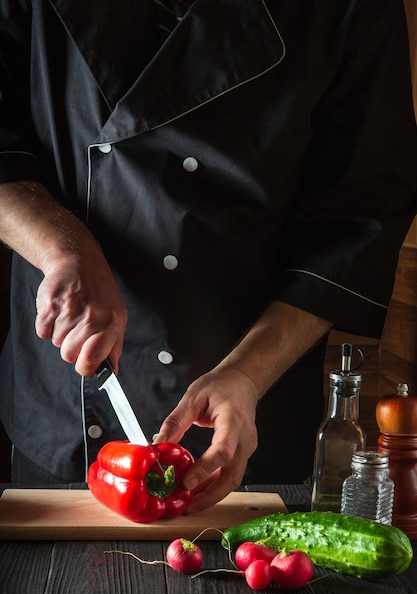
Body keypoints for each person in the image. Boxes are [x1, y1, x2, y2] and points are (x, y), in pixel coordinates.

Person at [0, 0, 416, 513]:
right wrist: (62, 248)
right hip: (61, 404)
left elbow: (360, 214)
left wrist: (246, 374)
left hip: (250, 409)